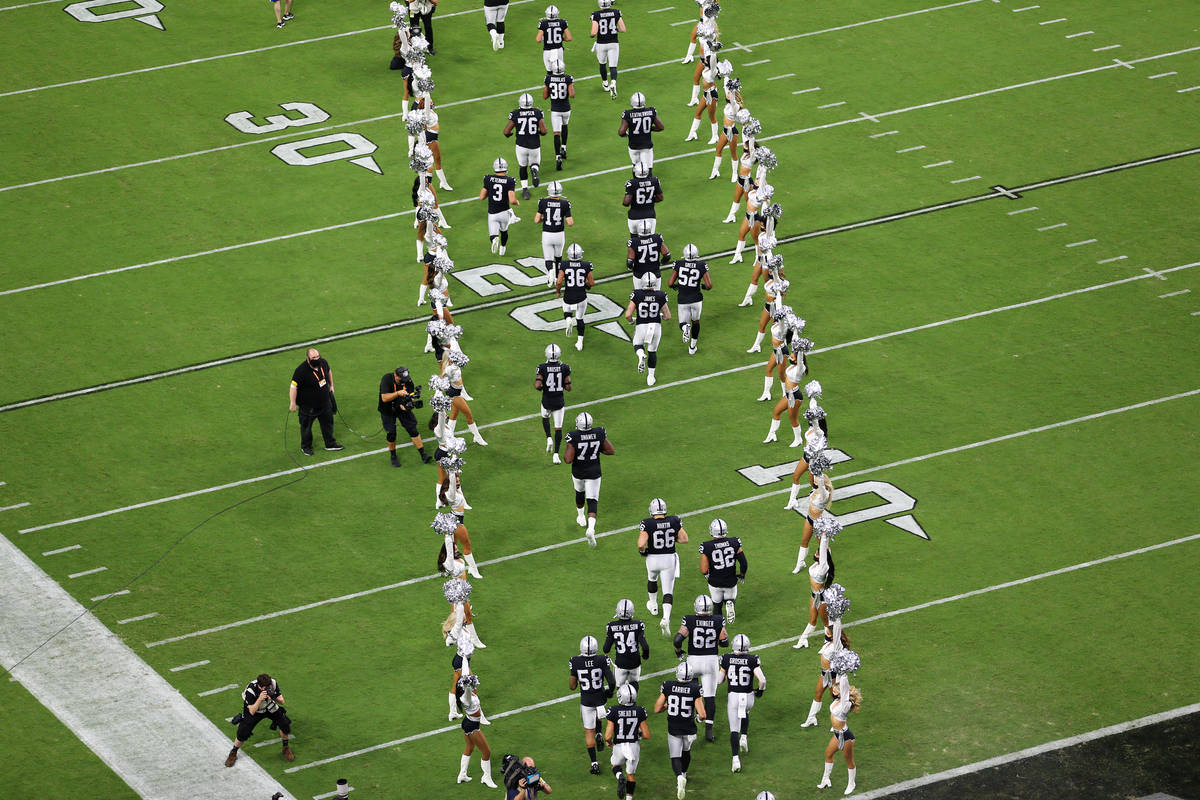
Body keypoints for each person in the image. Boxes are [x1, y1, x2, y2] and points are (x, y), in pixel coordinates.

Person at [674, 595, 728, 743]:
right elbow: (724, 642)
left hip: (693, 661)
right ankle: (709, 731)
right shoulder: (717, 620)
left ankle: (689, 724)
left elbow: (678, 639)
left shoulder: (690, 620)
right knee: (710, 697)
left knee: (691, 694)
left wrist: (678, 651)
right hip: (710, 662)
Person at [653, 662, 705, 800]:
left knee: (675, 756)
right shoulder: (695, 688)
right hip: (689, 728)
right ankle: (684, 773)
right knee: (686, 751)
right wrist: (699, 719)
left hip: (674, 727)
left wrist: (667, 705)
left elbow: (657, 709)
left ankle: (679, 777)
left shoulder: (668, 686)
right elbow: (703, 714)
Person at [638, 498, 689, 635]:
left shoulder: (647, 523)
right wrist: (672, 540)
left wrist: (643, 552)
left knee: (652, 579)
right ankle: (666, 618)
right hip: (668, 558)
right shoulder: (674, 520)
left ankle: (653, 605)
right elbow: (685, 539)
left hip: (653, 559)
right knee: (668, 591)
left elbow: (641, 544)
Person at [796, 502, 841, 650]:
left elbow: (823, 549)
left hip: (821, 598)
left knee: (827, 624)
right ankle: (803, 640)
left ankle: (835, 644)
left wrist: (824, 535)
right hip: (813, 595)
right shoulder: (816, 566)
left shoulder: (823, 567)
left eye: (817, 552)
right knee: (812, 621)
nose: (816, 553)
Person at [569, 635, 616, 775]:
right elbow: (612, 682)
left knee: (589, 731)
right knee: (600, 715)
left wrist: (577, 680)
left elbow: (572, 686)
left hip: (586, 700)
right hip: (600, 698)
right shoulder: (602, 659)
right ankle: (601, 733)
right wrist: (610, 692)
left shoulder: (575, 661)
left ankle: (594, 763)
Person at [718, 634, 766, 773]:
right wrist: (760, 691)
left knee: (733, 729)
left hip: (733, 696)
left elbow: (720, 680)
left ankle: (735, 760)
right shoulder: (752, 659)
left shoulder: (726, 658)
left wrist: (725, 673)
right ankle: (744, 737)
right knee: (744, 711)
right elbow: (762, 680)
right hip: (748, 696)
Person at [564, 411, 614, 544]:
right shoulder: (599, 433)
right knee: (592, 500)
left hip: (579, 471)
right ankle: (591, 529)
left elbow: (568, 460)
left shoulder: (573, 436)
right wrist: (596, 450)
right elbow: (610, 450)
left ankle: (581, 517)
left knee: (579, 492)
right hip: (594, 471)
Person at [802, 586, 849, 728]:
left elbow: (835, 627)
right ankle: (811, 718)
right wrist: (827, 606)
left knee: (836, 698)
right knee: (817, 695)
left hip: (833, 675)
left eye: (830, 632)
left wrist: (837, 615)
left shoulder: (836, 646)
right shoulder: (827, 643)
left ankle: (838, 723)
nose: (827, 632)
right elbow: (827, 623)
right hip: (824, 674)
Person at [818, 649, 862, 795]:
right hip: (837, 734)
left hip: (845, 736)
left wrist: (844, 676)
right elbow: (837, 683)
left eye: (837, 688)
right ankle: (825, 779)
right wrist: (838, 666)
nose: (834, 688)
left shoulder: (845, 704)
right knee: (828, 753)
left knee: (849, 761)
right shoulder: (837, 700)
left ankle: (852, 783)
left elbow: (843, 687)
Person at [224, 673, 293, 766]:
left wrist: (273, 697)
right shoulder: (251, 690)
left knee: (285, 724)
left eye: (269, 687)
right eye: (266, 688)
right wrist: (260, 699)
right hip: (255, 709)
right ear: (260, 687)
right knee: (243, 732)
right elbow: (252, 711)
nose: (268, 688)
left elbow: (282, 701)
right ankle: (233, 752)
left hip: (269, 707)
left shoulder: (273, 683)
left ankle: (285, 747)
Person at [288, 348, 343, 456]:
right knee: (306, 427)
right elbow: (293, 386)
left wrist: (331, 385)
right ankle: (306, 447)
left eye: (318, 356)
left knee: (328, 424)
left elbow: (329, 371)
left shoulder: (323, 363)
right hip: (308, 406)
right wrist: (292, 402)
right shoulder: (301, 371)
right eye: (314, 358)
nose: (317, 359)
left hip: (324, 402)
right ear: (308, 359)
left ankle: (330, 444)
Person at [379, 366, 434, 467]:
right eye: (401, 379)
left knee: (412, 429)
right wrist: (397, 394)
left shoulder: (408, 381)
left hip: (401, 408)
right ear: (395, 375)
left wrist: (407, 403)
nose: (404, 381)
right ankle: (393, 456)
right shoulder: (387, 379)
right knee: (391, 433)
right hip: (388, 410)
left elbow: (409, 395)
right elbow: (384, 398)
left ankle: (423, 454)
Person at [605, 684, 650, 800]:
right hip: (633, 746)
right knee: (630, 774)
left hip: (619, 745)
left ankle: (620, 776)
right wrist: (638, 734)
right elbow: (647, 735)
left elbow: (607, 736)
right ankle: (629, 798)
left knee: (615, 764)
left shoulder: (613, 710)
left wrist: (609, 742)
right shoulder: (640, 710)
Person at [699, 518, 746, 623]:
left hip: (715, 582)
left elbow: (703, 569)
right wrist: (742, 574)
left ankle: (719, 626)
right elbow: (743, 562)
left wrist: (706, 575)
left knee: (717, 606)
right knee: (730, 598)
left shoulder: (706, 546)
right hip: (730, 581)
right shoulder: (734, 542)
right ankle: (730, 603)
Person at [668, 243, 712, 355]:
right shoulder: (702, 265)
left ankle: (685, 329)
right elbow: (709, 285)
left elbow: (670, 283)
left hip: (683, 298)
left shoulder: (678, 264)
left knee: (682, 323)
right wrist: (703, 287)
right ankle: (692, 347)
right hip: (696, 299)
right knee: (696, 322)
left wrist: (676, 286)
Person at [455, 673, 498, 787]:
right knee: (486, 751)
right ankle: (486, 777)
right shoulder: (465, 698)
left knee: (469, 748)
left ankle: (462, 775)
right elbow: (469, 691)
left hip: (468, 722)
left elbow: (465, 675)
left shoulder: (465, 693)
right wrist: (469, 684)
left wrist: (464, 657)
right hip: (472, 726)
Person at [625, 279, 670, 387]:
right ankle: (650, 377)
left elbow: (628, 315)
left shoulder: (636, 294)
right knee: (652, 351)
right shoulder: (660, 295)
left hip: (642, 326)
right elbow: (668, 316)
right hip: (656, 327)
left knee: (637, 344)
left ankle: (641, 355)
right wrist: (660, 316)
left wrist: (631, 321)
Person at [504, 93, 548, 200]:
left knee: (522, 166)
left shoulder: (515, 113)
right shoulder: (537, 112)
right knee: (535, 163)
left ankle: (525, 191)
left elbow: (506, 131)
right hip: (534, 144)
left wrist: (510, 134)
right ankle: (534, 169)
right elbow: (544, 130)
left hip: (521, 145)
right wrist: (540, 133)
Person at [535, 343, 572, 463]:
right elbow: (568, 388)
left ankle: (548, 438)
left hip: (547, 400)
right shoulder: (565, 368)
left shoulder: (542, 367)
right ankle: (556, 455)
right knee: (558, 428)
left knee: (545, 417)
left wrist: (542, 388)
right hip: (559, 401)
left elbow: (537, 385)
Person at [604, 599, 650, 691]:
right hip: (635, 663)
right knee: (634, 683)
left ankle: (623, 703)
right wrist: (645, 656)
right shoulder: (638, 624)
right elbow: (645, 647)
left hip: (621, 663)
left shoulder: (611, 626)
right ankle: (633, 702)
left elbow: (606, 649)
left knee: (620, 687)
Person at [556, 242, 594, 351]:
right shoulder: (586, 265)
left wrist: (558, 292)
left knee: (566, 311)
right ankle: (580, 342)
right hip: (581, 296)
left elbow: (559, 282)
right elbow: (591, 283)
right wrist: (585, 285)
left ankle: (568, 319)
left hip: (569, 295)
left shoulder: (564, 264)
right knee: (580, 318)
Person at [535, 181, 574, 286]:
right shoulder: (565, 204)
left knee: (548, 258)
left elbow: (536, 220)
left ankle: (550, 271)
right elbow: (570, 222)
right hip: (559, 235)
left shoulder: (542, 202)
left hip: (547, 234)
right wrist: (562, 219)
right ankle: (557, 278)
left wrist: (545, 219)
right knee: (558, 258)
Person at [481, 157, 519, 255]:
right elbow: (512, 200)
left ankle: (494, 239)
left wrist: (489, 191)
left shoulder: (488, 178)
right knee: (504, 231)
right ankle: (503, 248)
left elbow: (481, 197)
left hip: (493, 213)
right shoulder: (510, 180)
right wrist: (517, 202)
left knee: (493, 235)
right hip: (504, 212)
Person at [619, 92, 664, 170]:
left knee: (637, 169)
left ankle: (636, 181)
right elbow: (661, 127)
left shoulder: (627, 114)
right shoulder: (651, 111)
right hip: (646, 146)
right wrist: (650, 128)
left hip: (633, 146)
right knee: (647, 169)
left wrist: (626, 134)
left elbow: (621, 132)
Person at [590, 0, 625, 99]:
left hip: (601, 44)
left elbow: (593, 32)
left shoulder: (596, 14)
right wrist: (614, 29)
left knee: (602, 64)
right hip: (613, 43)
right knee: (613, 66)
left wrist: (591, 36)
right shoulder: (616, 12)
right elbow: (623, 29)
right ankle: (613, 82)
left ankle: (605, 84)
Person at [543, 63, 575, 169]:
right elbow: (572, 95)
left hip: (555, 110)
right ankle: (564, 148)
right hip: (566, 109)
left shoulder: (548, 78)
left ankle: (558, 157)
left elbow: (544, 96)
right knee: (565, 125)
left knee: (556, 133)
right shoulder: (568, 78)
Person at [627, 220, 669, 290]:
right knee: (656, 298)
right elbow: (667, 256)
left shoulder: (634, 241)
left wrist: (631, 268)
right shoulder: (657, 238)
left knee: (639, 298)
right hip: (655, 273)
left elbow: (630, 262)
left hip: (639, 274)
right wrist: (661, 263)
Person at [623, 162, 663, 234]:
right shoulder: (654, 181)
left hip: (634, 216)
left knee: (634, 241)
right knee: (650, 239)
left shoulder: (631, 183)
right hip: (650, 215)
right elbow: (660, 198)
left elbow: (626, 203)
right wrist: (651, 200)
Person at [536, 5, 571, 72]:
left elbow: (538, 39)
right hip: (559, 50)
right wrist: (562, 38)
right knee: (559, 70)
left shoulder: (543, 23)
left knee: (549, 72)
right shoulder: (562, 22)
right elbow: (569, 38)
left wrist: (545, 38)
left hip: (548, 51)